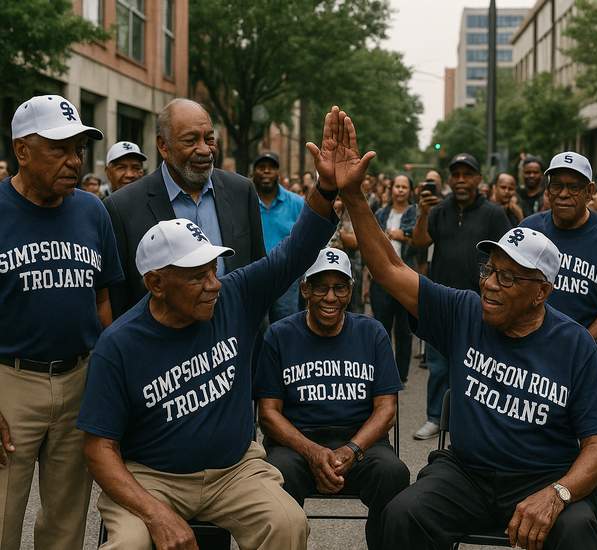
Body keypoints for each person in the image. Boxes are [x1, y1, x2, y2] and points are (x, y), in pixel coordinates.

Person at [325, 112, 597, 550]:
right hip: (466, 474)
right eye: (489, 270)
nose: (490, 284)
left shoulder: (575, 343)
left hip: (543, 476)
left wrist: (558, 494)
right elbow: (388, 268)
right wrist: (352, 195)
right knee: (403, 515)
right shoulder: (464, 312)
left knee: (578, 531)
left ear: (541, 292)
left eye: (508, 277)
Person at [77, 106, 346, 550]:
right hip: (151, 478)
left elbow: (294, 253)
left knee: (287, 523)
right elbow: (98, 448)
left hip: (234, 470)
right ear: (156, 284)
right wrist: (156, 514)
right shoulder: (118, 345)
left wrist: (327, 187)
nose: (213, 283)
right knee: (127, 545)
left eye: (212, 269)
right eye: (197, 275)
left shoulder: (233, 296)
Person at [0, 94, 123, 550]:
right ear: (22, 150)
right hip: (9, 383)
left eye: (79, 149)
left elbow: (103, 301)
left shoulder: (92, 210)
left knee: (66, 526)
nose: (74, 160)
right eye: (59, 148)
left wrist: (107, 385)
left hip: (79, 379)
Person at [255, 248, 409, 550]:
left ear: (350, 291)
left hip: (361, 444)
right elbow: (268, 413)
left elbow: (386, 409)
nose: (330, 297)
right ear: (305, 289)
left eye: (339, 288)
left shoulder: (372, 332)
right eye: (320, 288)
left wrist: (351, 450)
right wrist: (312, 452)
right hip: (297, 445)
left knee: (393, 473)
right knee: (274, 475)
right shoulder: (280, 335)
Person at [103, 99, 265, 318]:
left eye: (209, 139)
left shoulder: (241, 191)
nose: (205, 149)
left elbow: (259, 273)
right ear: (163, 146)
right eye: (191, 140)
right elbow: (119, 300)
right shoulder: (122, 208)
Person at [410, 152, 512, 440]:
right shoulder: (439, 210)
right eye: (456, 175)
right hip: (443, 302)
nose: (461, 180)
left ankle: (479, 421)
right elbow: (419, 241)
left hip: (482, 303)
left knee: (480, 367)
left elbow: (508, 255)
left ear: (478, 179)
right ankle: (435, 417)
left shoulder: (493, 213)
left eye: (467, 174)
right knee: (438, 365)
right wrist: (423, 213)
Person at [521, 152, 597, 389]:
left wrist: (577, 345)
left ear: (590, 191)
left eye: (574, 187)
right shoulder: (529, 230)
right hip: (531, 354)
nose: (564, 194)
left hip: (587, 358)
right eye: (557, 186)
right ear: (548, 190)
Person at [371, 175, 417, 383]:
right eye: (397, 186)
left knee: (404, 330)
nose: (400, 190)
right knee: (381, 328)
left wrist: (403, 235)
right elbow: (371, 242)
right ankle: (384, 372)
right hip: (382, 278)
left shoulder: (416, 213)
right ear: (391, 189)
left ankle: (401, 375)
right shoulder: (381, 213)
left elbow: (420, 241)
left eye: (404, 187)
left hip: (406, 277)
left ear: (410, 190)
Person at [253, 151, 305, 322]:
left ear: (278, 173)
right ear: (254, 172)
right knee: (255, 327)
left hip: (286, 279)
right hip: (254, 276)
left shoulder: (296, 203)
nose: (266, 171)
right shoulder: (245, 201)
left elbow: (306, 239)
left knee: (286, 325)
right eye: (261, 167)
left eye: (271, 167)